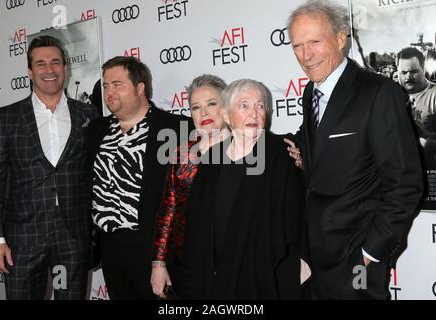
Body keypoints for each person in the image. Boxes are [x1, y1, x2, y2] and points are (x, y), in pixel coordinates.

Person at [284, 0, 423, 299]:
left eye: (314, 42)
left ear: (341, 37)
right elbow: (321, 143)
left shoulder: (379, 93)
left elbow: (406, 183)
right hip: (314, 257)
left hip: (356, 260)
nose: (305, 56)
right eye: (297, 45)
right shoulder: (311, 91)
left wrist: (371, 252)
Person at [0, 35, 100, 299]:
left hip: (73, 236)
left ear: (65, 68)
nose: (49, 70)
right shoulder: (6, 118)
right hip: (23, 238)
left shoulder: (88, 114)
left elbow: (95, 177)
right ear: (29, 71)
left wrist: (95, 235)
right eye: (40, 64)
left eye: (55, 63)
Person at [181, 79, 304, 299]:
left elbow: (292, 220)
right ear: (227, 116)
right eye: (244, 105)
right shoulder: (212, 158)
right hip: (216, 279)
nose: (254, 114)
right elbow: (196, 224)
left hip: (265, 276)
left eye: (260, 105)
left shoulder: (280, 152)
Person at [88, 56, 192, 300]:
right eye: (105, 86)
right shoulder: (95, 131)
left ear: (140, 87)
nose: (109, 91)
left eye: (117, 84)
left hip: (154, 249)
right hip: (110, 247)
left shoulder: (175, 129)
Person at [150, 74, 230, 298]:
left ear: (226, 107)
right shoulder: (182, 153)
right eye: (196, 107)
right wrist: (158, 263)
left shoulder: (246, 151)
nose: (203, 113)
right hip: (188, 266)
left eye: (211, 104)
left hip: (234, 264)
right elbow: (168, 210)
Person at [397, 47, 436, 144]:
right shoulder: (390, 94)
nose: (408, 77)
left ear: (423, 69)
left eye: (414, 72)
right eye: (404, 72)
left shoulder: (434, 95)